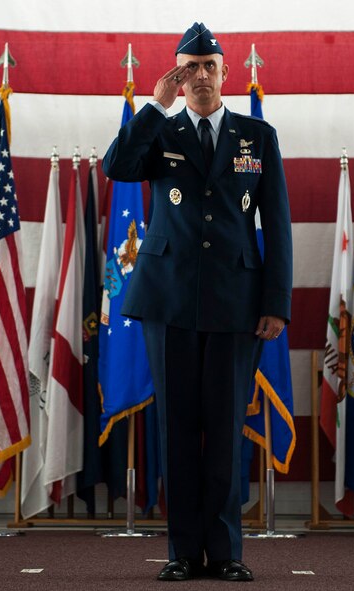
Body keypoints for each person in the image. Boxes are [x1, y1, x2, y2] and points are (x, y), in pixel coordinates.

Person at [102, 22, 292, 582]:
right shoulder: (159, 131)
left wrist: (276, 302)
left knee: (226, 425)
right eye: (190, 67)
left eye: (210, 66)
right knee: (178, 428)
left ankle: (227, 550)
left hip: (237, 302)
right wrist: (154, 108)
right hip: (170, 301)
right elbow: (117, 167)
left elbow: (275, 224)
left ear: (225, 73)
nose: (201, 75)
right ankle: (182, 552)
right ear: (177, 76)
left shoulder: (258, 136)